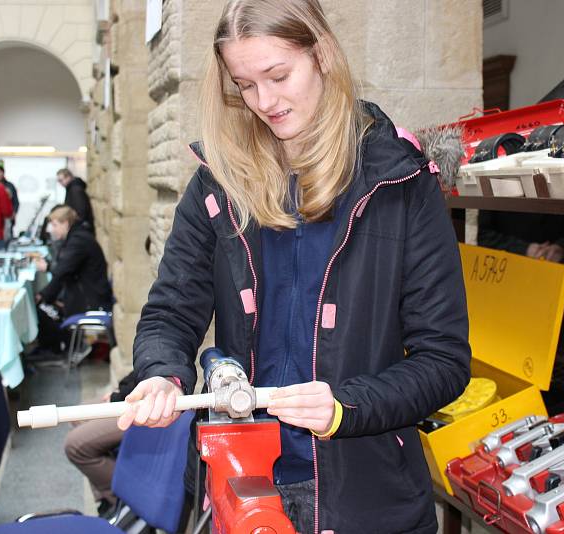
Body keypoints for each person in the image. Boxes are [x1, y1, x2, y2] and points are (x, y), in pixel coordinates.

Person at [117, 2, 471, 533]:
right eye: (245, 85)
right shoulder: (218, 182)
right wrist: (161, 374)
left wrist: (345, 406)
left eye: (278, 76)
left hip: (370, 498)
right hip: (246, 485)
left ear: (322, 53)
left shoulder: (400, 181)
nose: (264, 102)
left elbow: (444, 361)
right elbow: (171, 312)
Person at [477, 210, 564, 413]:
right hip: (513, 292)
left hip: (557, 291)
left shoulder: (557, 190)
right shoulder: (497, 193)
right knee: (518, 367)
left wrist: (561, 248)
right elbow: (482, 235)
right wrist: (525, 249)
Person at [34, 206, 112, 352]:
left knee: (41, 308)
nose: (52, 229)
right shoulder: (78, 237)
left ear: (66, 223)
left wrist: (44, 296)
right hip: (86, 294)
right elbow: (64, 271)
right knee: (45, 303)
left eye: (55, 225)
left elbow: (63, 271)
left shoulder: (78, 241)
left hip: (90, 301)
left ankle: (57, 350)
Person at [64, 369, 139, 516]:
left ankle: (123, 500)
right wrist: (120, 390)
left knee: (74, 445)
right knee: (77, 414)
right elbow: (144, 368)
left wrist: (118, 397)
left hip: (147, 404)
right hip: (134, 391)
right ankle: (105, 498)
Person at [0, 161, 19, 243]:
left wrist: (13, 213)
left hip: (7, 218)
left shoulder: (10, 186)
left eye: (0, 172)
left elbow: (16, 202)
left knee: (8, 239)